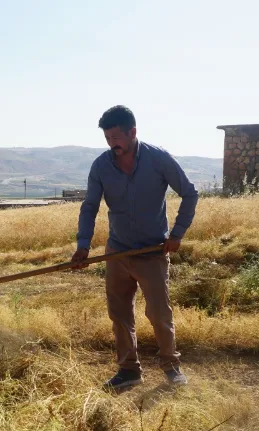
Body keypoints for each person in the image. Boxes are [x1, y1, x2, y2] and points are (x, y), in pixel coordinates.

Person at [72, 105, 199, 392]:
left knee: (158, 313)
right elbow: (90, 206)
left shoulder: (158, 159)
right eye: (107, 138)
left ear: (133, 132)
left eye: (116, 137)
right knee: (119, 314)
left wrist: (177, 234)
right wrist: (83, 245)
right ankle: (129, 371)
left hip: (152, 251)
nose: (112, 143)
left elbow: (190, 193)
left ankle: (171, 367)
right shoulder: (101, 166)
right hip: (117, 252)